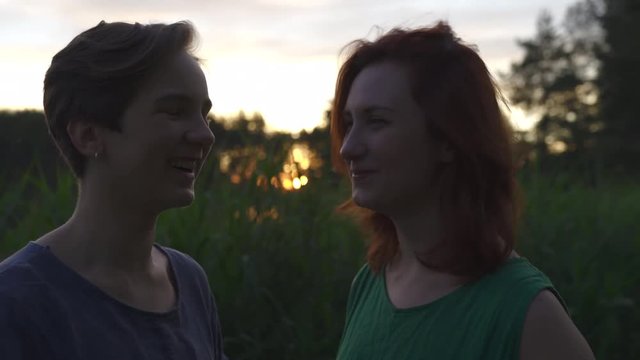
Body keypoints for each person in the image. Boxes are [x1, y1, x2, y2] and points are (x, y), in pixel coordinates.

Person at [331, 22, 595, 359]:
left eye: (377, 121)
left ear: (448, 140)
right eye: (350, 123)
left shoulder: (527, 315)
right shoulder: (368, 285)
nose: (348, 148)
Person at [0, 21, 226, 360]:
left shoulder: (190, 282)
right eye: (175, 112)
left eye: (204, 116)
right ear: (89, 135)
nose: (205, 136)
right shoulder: (16, 301)